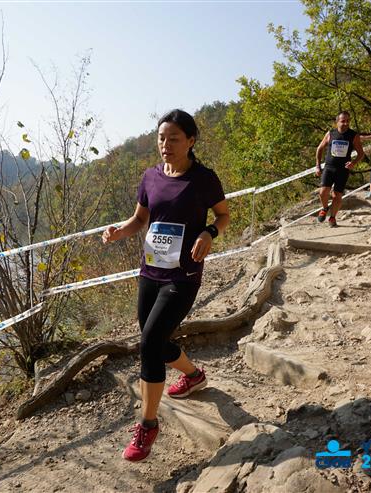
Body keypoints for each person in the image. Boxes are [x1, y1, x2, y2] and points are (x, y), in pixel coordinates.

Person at [102, 109, 229, 462]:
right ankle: (194, 376)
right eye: (161, 138)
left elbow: (223, 214)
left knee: (150, 342)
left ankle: (148, 424)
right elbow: (140, 218)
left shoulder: (204, 179)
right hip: (151, 271)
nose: (165, 145)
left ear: (191, 141)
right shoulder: (150, 176)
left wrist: (209, 232)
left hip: (183, 275)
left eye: (173, 139)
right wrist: (119, 232)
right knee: (154, 339)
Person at [315, 111, 364, 227]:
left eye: (348, 121)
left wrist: (353, 163)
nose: (346, 123)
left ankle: (332, 217)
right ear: (337, 122)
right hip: (329, 167)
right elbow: (319, 148)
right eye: (343, 121)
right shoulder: (330, 133)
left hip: (343, 169)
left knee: (337, 195)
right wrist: (317, 165)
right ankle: (325, 208)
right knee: (323, 192)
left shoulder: (353, 135)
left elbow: (361, 153)